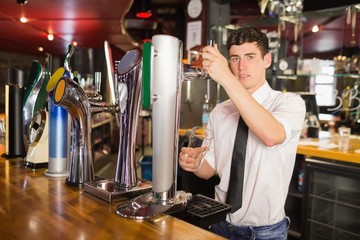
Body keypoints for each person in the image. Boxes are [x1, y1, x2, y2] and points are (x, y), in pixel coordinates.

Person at [179, 26, 306, 239]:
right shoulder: (220, 111)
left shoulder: (289, 103)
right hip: (219, 223)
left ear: (267, 60)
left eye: (250, 57)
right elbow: (210, 169)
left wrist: (227, 79)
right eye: (235, 59)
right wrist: (195, 163)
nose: (241, 66)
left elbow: (271, 135)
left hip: (265, 232)